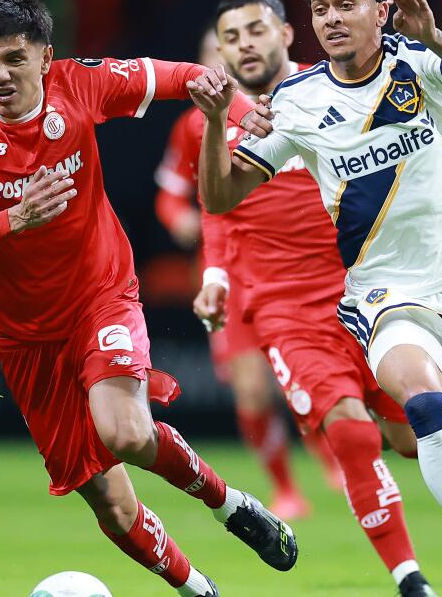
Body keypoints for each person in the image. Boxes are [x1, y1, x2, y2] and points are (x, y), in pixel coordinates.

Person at [186, 0, 442, 595]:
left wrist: (434, 36)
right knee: (423, 404)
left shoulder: (417, 60)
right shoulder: (297, 102)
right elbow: (221, 198)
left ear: (380, 10)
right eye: (319, 8)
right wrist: (219, 122)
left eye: (344, 4)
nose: (330, 18)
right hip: (387, 291)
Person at [0, 0, 295, 597]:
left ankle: (228, 504)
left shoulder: (79, 86)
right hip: (21, 333)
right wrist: (17, 216)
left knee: (124, 431)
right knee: (112, 505)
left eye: (14, 59)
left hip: (100, 294)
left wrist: (233, 99)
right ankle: (198, 589)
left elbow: (176, 75)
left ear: (46, 56)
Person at [181, 0, 435, 596]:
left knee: (411, 436)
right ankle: (410, 578)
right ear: (219, 50)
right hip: (284, 307)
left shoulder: (328, 91)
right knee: (348, 428)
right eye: (231, 37)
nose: (245, 45)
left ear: (286, 33)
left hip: (366, 289)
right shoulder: (206, 120)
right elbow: (216, 207)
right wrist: (215, 275)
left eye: (256, 30)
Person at [154, 25, 314, 521]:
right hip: (229, 270)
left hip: (303, 266)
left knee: (319, 381)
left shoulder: (298, 98)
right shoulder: (192, 125)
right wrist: (177, 217)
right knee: (251, 388)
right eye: (208, 56)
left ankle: (342, 458)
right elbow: (170, 194)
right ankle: (285, 486)